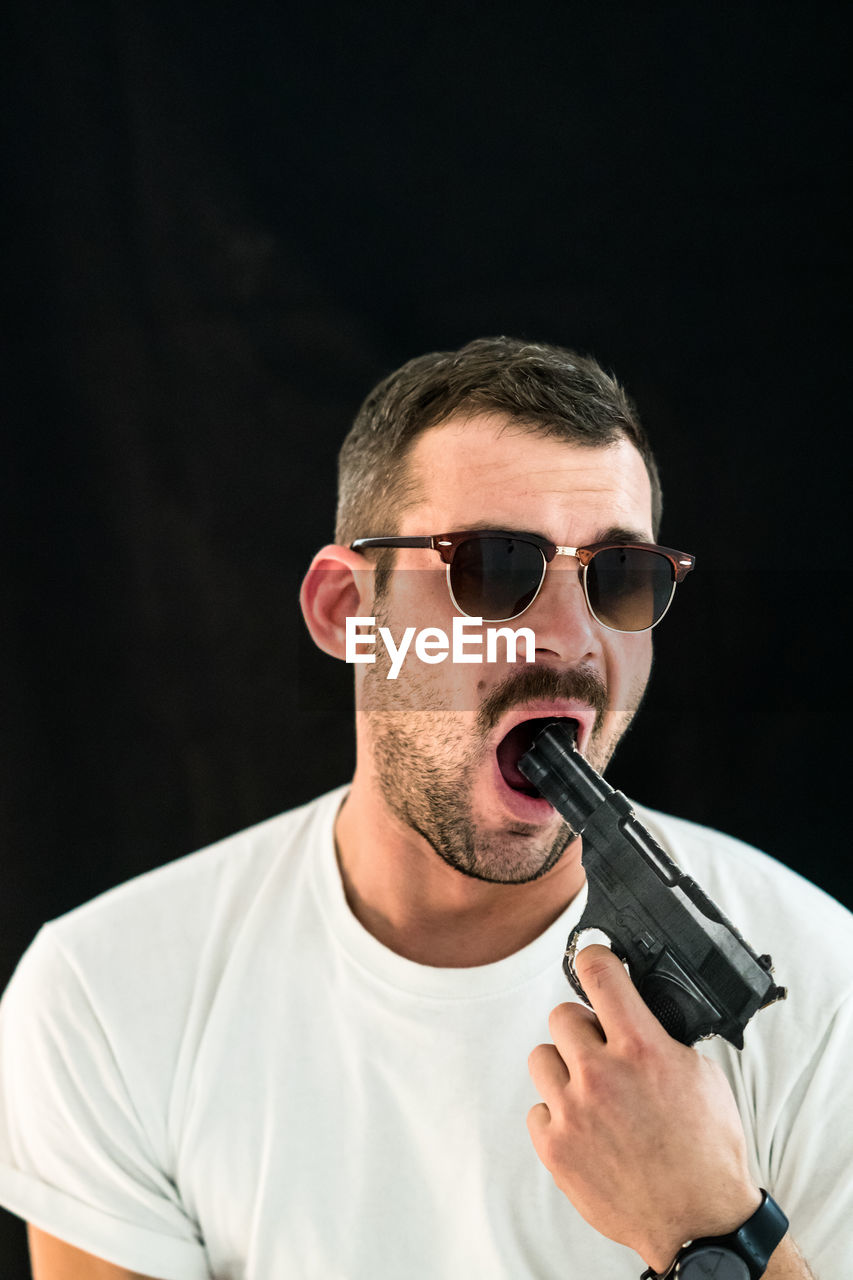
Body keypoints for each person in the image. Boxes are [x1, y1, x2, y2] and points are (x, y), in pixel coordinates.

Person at [1, 338, 850, 1279]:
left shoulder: (823, 995)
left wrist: (709, 1230)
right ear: (344, 613)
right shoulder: (104, 996)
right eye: (491, 569)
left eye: (618, 578)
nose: (572, 642)